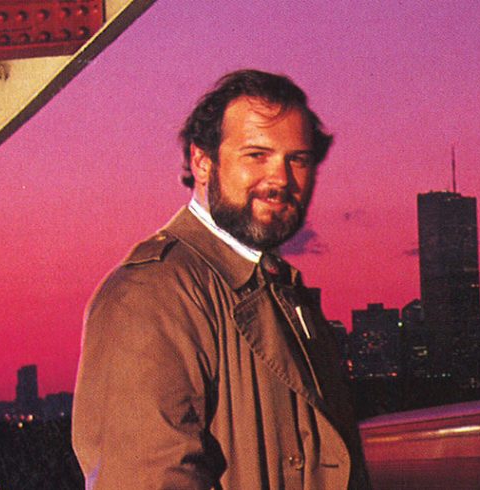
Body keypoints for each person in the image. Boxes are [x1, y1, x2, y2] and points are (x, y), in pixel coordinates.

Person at [72, 69, 369, 489]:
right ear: (202, 162)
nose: (281, 179)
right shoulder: (149, 295)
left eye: (297, 159)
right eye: (256, 155)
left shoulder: (279, 287)